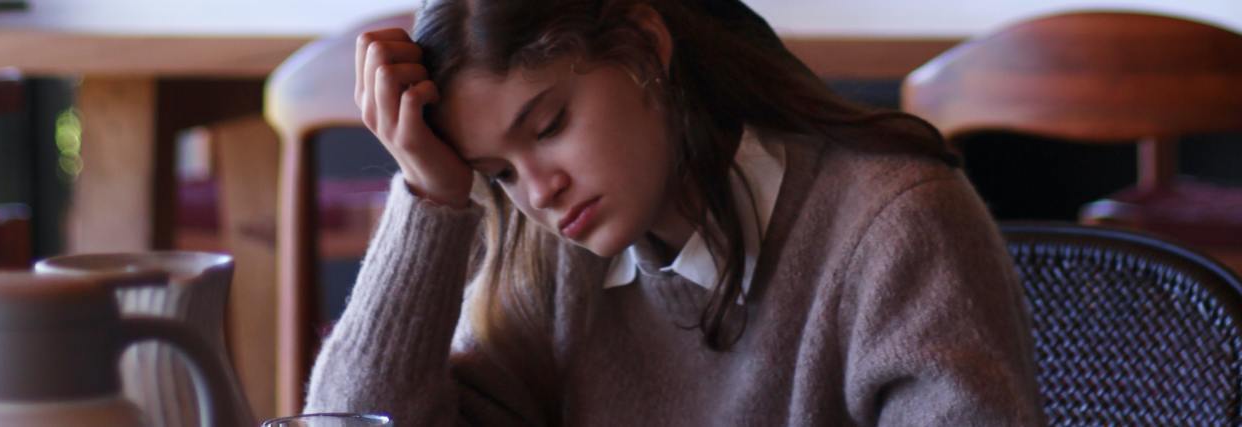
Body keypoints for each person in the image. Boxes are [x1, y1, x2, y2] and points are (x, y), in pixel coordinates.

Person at [304, 0, 1045, 425]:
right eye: (497, 175)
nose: (539, 192)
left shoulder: (895, 225)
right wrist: (431, 196)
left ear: (643, 48)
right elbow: (357, 419)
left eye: (550, 124)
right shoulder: (556, 261)